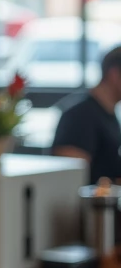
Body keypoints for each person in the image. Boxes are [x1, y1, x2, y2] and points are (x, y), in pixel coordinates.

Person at [52, 45, 121, 182]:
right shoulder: (80, 116)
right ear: (114, 74)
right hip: (93, 203)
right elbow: (70, 180)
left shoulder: (108, 113)